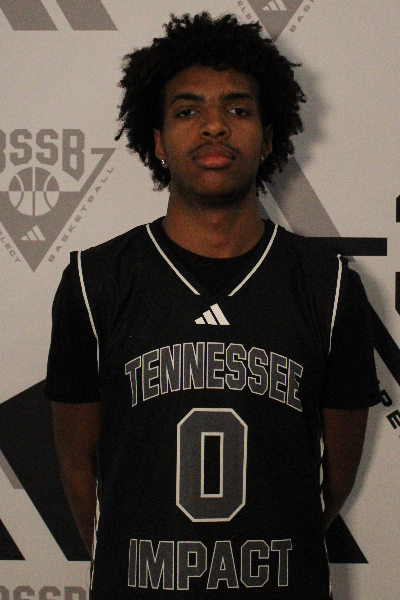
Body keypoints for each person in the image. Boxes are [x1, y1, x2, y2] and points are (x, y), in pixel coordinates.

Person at [45, 12, 380, 600]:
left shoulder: (328, 287)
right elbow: (77, 466)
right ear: (157, 140)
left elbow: (336, 477)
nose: (215, 126)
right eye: (187, 111)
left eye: (238, 109)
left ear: (268, 138)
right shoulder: (95, 282)